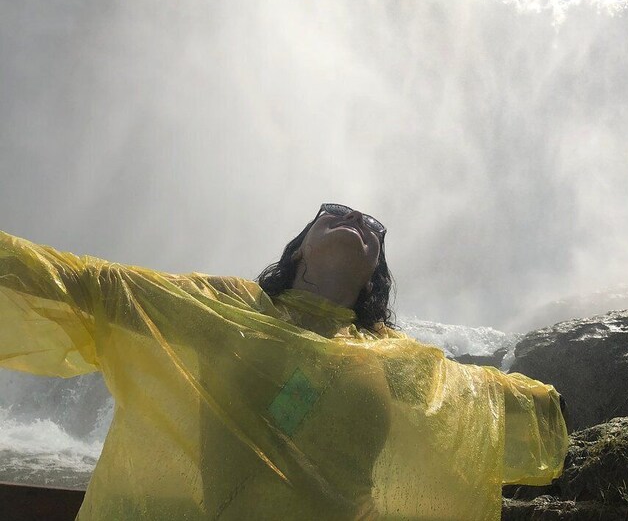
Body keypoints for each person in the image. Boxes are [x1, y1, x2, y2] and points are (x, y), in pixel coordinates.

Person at [0, 203, 568, 520]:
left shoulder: (391, 354)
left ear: (374, 272)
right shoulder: (231, 309)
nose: (359, 223)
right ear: (300, 246)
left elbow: (473, 397)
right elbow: (101, 289)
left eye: (373, 228)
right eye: (337, 214)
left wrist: (550, 410)